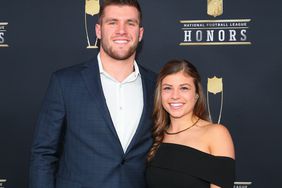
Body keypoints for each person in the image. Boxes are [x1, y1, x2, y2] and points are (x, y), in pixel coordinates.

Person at [29, 0, 156, 188]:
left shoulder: (156, 84)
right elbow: (43, 153)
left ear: (140, 33)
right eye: (112, 22)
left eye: (130, 23)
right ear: (98, 31)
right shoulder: (65, 82)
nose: (122, 30)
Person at [146, 59, 235, 188]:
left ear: (197, 94)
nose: (175, 96)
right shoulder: (154, 135)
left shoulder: (216, 134)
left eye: (184, 88)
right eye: (167, 88)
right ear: (160, 94)